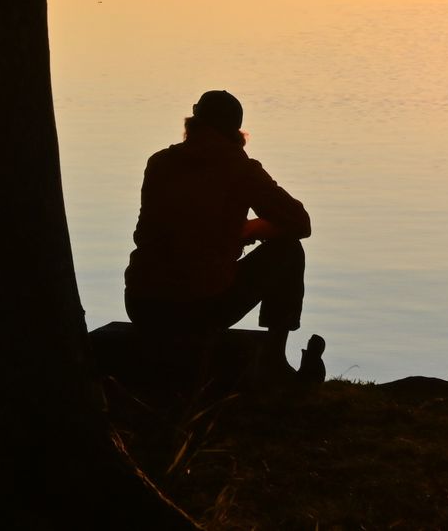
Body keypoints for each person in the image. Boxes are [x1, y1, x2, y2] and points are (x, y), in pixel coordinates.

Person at [124, 89, 320, 383]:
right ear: (237, 133)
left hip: (141, 303)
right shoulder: (241, 169)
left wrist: (237, 230)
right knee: (289, 251)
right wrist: (251, 229)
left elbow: (171, 228)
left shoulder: (159, 162)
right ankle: (274, 360)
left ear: (193, 123)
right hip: (197, 307)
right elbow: (300, 223)